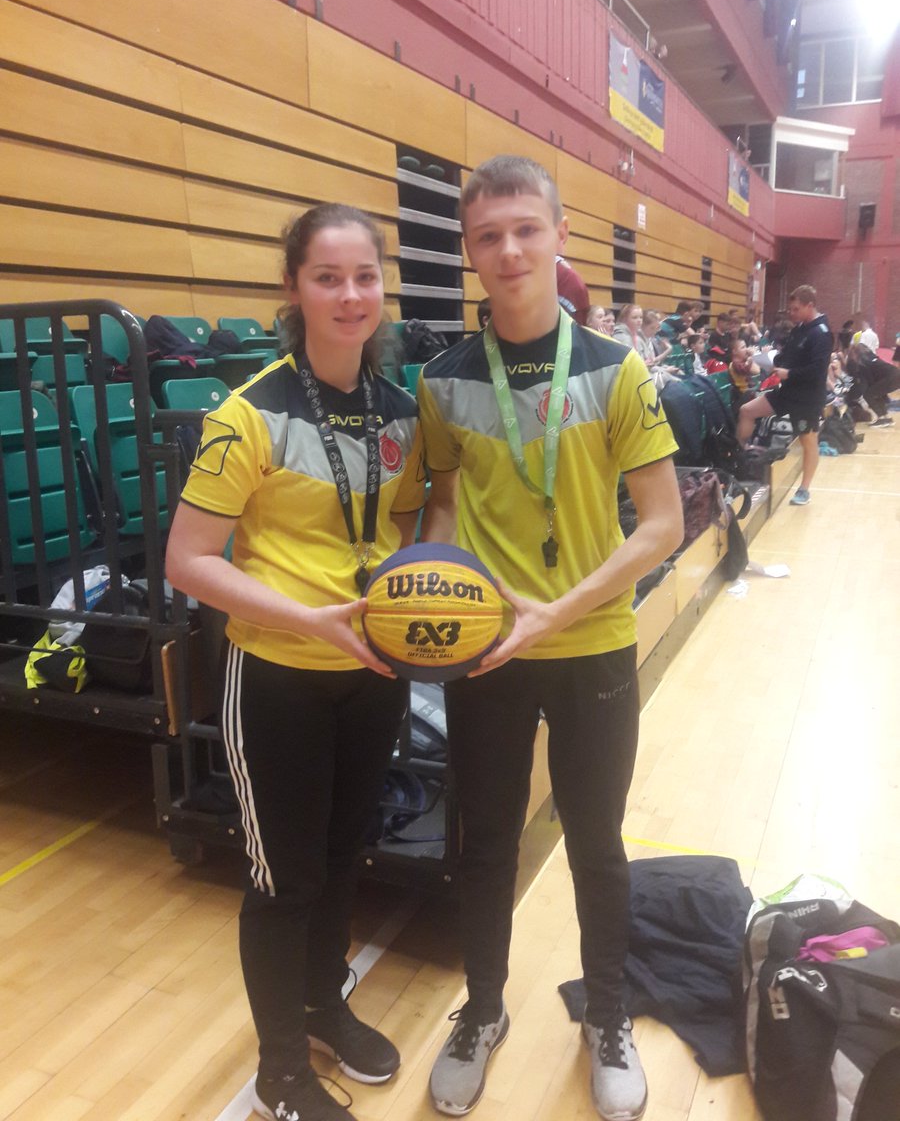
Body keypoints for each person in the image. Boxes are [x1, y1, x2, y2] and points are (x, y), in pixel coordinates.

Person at [417, 155, 683, 1121]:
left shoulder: (619, 371)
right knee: (483, 841)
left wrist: (555, 612)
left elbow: (663, 524)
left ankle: (606, 1015)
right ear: (470, 254)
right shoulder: (442, 380)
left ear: (560, 234)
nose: (509, 249)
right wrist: (428, 602)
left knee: (596, 843)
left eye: (526, 227)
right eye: (488, 235)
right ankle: (483, 1010)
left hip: (592, 643)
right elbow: (445, 506)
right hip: (486, 651)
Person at [165, 204, 426, 1121]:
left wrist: (415, 593)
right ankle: (281, 1070)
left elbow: (404, 524)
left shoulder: (404, 413)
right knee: (285, 879)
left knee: (346, 854)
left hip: (371, 673)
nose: (350, 296)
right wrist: (310, 619)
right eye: (328, 277)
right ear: (293, 289)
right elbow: (188, 560)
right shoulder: (248, 415)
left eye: (365, 277)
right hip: (277, 675)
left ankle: (323, 1008)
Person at [736, 284, 832, 506]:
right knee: (747, 411)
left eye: (796, 309)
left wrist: (789, 372)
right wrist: (766, 359)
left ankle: (804, 490)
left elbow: (818, 370)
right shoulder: (800, 328)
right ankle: (741, 456)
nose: (792, 313)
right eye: (790, 309)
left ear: (810, 305)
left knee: (808, 441)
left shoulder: (821, 333)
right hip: (787, 391)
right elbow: (787, 356)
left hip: (807, 398)